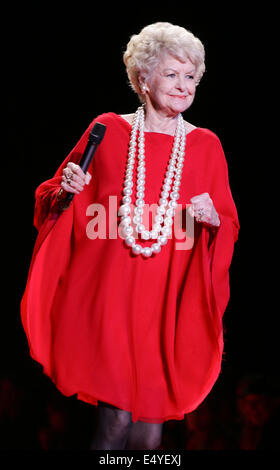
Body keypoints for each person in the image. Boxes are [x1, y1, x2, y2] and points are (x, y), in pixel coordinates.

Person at [21, 22, 239, 450]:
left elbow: (228, 225)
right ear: (143, 77)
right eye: (173, 74)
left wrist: (213, 218)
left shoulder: (206, 145)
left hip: (164, 305)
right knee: (116, 421)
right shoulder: (108, 130)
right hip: (111, 297)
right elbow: (50, 196)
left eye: (191, 76)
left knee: (149, 434)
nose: (184, 86)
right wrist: (66, 188)